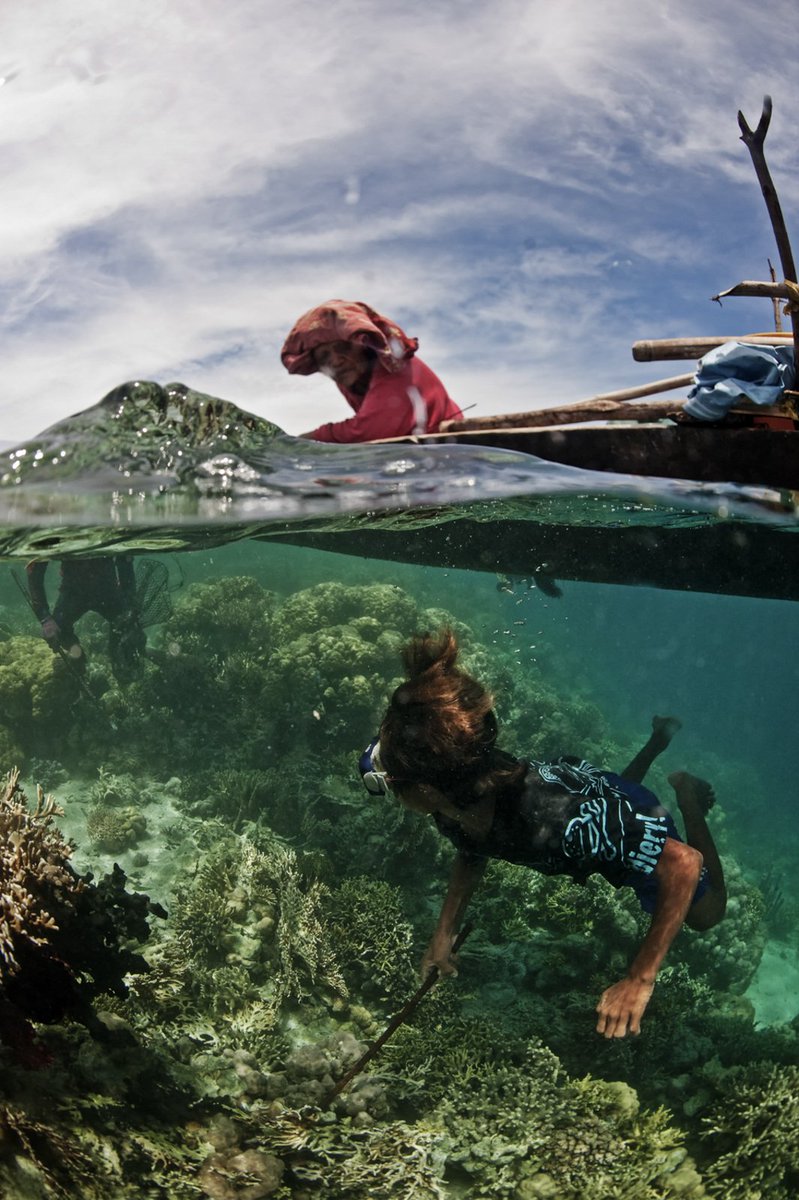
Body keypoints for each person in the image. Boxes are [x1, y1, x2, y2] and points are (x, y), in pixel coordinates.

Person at [359, 629, 726, 1039]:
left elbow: (683, 863)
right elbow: (471, 846)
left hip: (595, 808)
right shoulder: (455, 802)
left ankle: (687, 793)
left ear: (424, 790)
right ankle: (657, 741)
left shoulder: (555, 826)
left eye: (386, 783)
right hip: (587, 792)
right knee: (610, 821)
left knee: (706, 914)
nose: (388, 790)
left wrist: (639, 979)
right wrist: (443, 935)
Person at [281, 299, 463, 442]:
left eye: (343, 347)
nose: (335, 361)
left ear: (364, 345)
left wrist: (305, 440)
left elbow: (369, 430)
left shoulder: (394, 366)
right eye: (324, 357)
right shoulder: (350, 377)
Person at [26, 556, 146, 683]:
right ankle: (77, 658)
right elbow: (36, 570)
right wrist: (45, 619)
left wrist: (129, 608)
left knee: (128, 628)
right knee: (59, 631)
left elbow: (124, 560)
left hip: (106, 590)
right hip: (75, 592)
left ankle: (132, 655)